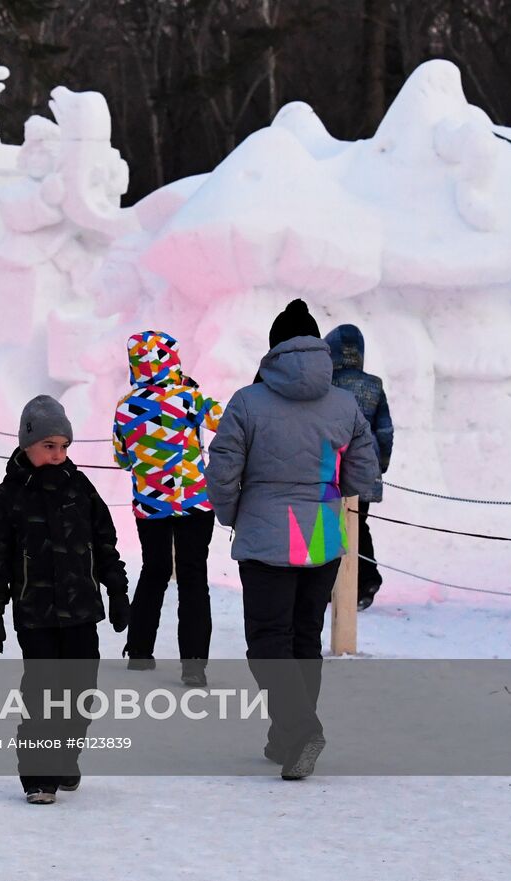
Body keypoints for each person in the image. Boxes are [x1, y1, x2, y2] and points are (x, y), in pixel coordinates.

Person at [207, 299, 379, 781]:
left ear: (274, 349)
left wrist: (230, 513)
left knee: (267, 641)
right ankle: (286, 737)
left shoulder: (247, 401)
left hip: (266, 535)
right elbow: (364, 468)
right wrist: (341, 494)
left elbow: (223, 469)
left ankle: (301, 728)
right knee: (303, 638)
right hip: (321, 535)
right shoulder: (344, 403)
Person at [0, 395, 130, 804]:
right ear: (28, 444)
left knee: (81, 694)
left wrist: (117, 590)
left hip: (82, 611)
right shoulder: (10, 494)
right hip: (36, 614)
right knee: (43, 695)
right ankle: (38, 776)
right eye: (49, 446)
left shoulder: (79, 488)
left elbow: (105, 543)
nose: (58, 455)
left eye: (64, 447)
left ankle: (65, 757)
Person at [112, 331, 222, 686]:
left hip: (150, 505)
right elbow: (225, 422)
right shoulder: (189, 397)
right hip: (193, 503)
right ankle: (193, 666)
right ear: (171, 360)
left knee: (153, 571)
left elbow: (121, 459)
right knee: (193, 578)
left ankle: (140, 653)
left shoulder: (125, 406)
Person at [324, 324, 393, 610]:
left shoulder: (326, 384)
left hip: (333, 466)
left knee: (329, 522)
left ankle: (334, 583)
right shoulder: (374, 385)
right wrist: (381, 466)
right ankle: (367, 578)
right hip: (366, 466)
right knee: (358, 523)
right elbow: (385, 431)